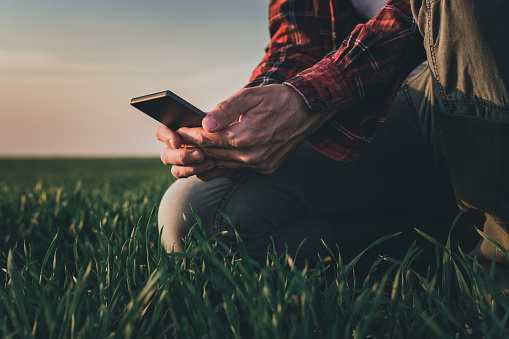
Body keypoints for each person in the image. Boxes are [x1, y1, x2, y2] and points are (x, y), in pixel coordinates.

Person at [156, 0, 509, 272]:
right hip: (389, 100)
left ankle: (498, 260)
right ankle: (450, 244)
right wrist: (243, 120)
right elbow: (298, 43)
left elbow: (425, 14)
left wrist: (310, 96)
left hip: (482, 85)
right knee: (197, 216)